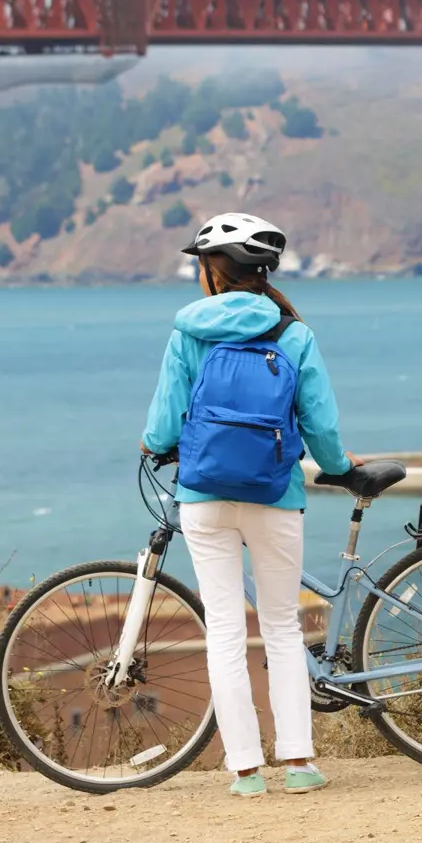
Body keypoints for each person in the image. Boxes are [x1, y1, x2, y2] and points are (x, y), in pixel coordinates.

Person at [140, 211, 363, 798]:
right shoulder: (294, 334)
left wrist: (153, 445)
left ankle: (244, 770)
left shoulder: (188, 333)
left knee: (224, 631)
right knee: (284, 627)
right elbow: (321, 427)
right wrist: (340, 469)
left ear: (215, 272)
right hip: (275, 495)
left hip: (205, 499)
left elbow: (163, 425)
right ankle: (299, 763)